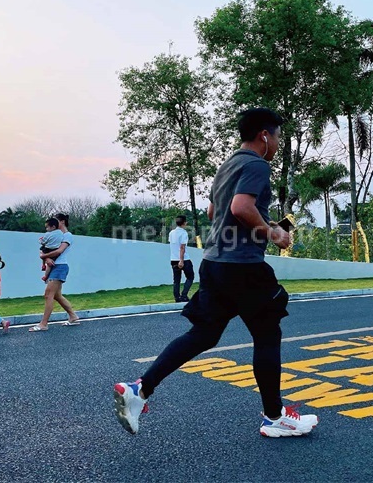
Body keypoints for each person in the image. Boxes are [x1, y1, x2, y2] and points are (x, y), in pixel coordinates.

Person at [113, 108, 318, 438]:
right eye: (277, 136)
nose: (278, 143)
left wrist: (260, 224)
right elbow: (239, 208)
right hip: (244, 267)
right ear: (264, 135)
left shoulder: (228, 166)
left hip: (215, 263)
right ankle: (274, 416)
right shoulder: (256, 164)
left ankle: (140, 389)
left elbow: (214, 211)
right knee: (267, 335)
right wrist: (274, 233)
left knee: (204, 335)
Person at [29, 212, 80, 331]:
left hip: (60, 266)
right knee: (56, 295)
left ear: (62, 222)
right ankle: (73, 316)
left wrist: (44, 256)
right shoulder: (53, 235)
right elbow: (43, 250)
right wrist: (45, 257)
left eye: (56, 220)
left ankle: (43, 324)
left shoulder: (67, 236)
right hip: (53, 266)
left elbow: (59, 251)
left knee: (48, 294)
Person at [169, 215, 194, 302]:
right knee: (190, 277)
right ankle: (184, 295)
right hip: (184, 259)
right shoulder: (183, 233)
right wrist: (181, 260)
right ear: (184, 223)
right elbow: (182, 247)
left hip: (173, 259)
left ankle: (177, 297)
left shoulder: (171, 233)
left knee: (176, 279)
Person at [39, 217, 63, 282]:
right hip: (55, 250)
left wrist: (40, 240)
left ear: (53, 227)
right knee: (50, 265)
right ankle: (46, 276)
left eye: (47, 227)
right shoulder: (60, 233)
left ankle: (43, 265)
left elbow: (43, 242)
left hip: (48, 248)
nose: (46, 229)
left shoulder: (48, 234)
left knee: (41, 252)